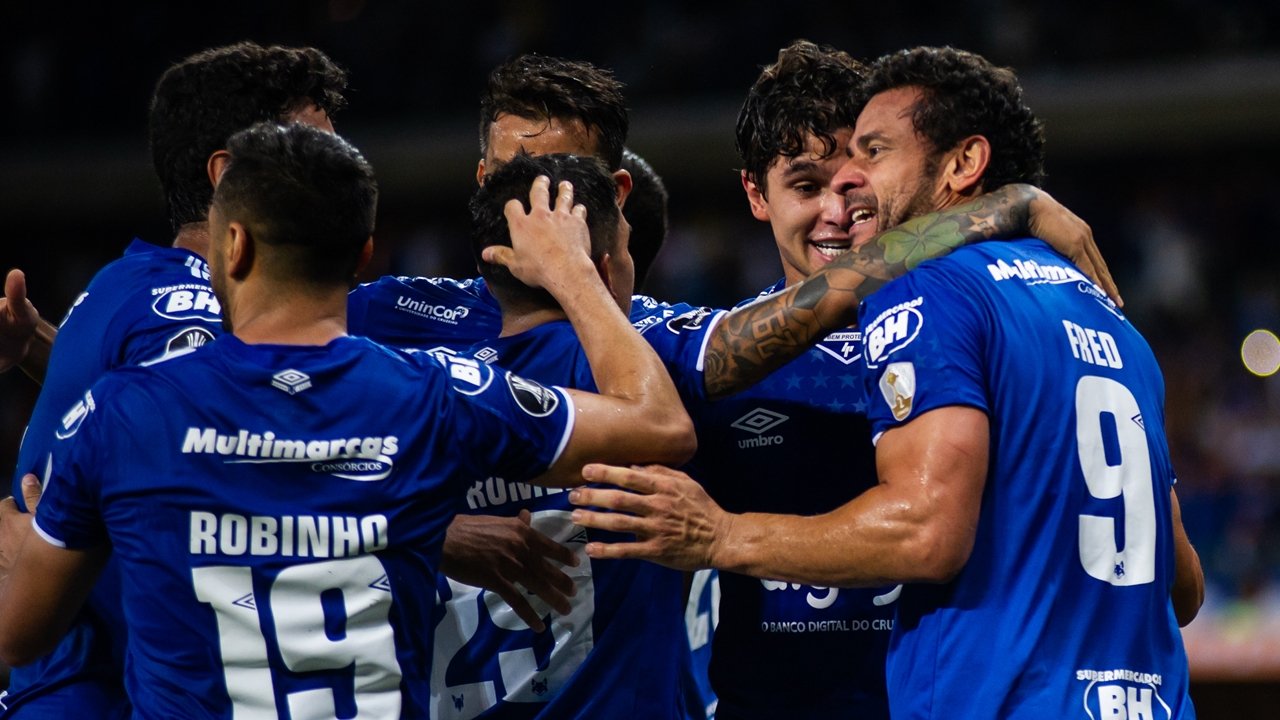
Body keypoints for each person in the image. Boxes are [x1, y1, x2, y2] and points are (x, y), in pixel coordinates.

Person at [567, 46, 1202, 719]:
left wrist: (721, 535)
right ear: (756, 193)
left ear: (963, 163)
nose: (849, 196)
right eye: (812, 185)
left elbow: (927, 529)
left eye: (869, 158)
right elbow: (1178, 584)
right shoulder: (1110, 321)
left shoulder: (930, 295)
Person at [0, 121, 694, 718]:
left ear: (232, 245)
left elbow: (17, 636)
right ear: (364, 254)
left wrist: (26, 552)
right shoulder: (438, 395)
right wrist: (577, 273)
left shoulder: (122, 414)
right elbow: (660, 425)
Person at [0, 41, 349, 719]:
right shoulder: (192, 307)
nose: (349, 178)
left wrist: (44, 348)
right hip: (103, 693)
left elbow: (140, 417)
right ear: (230, 178)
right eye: (320, 156)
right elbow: (226, 469)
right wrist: (439, 528)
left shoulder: (130, 286)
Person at [429, 151, 693, 719]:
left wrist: (436, 531)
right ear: (598, 265)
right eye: (626, 248)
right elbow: (664, 429)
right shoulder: (647, 382)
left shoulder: (427, 385)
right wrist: (575, 277)